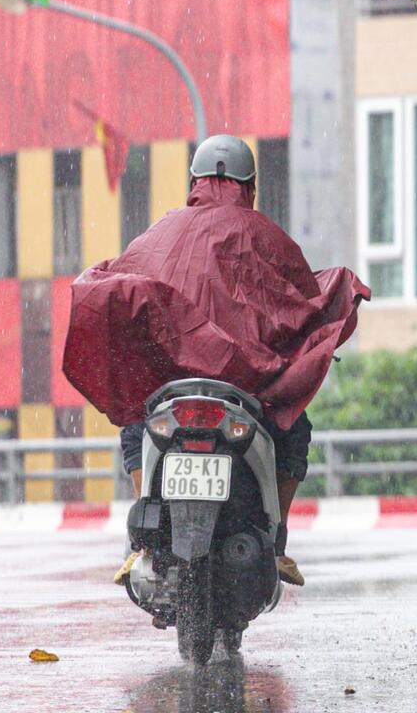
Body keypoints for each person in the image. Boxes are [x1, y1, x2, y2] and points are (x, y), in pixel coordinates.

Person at [61, 135, 369, 590]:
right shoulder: (266, 235)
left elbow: (124, 278)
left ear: (194, 182)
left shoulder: (161, 233)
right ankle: (278, 542)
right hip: (246, 390)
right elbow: (301, 299)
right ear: (250, 185)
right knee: (294, 426)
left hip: (173, 389)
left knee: (134, 420)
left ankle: (142, 545)